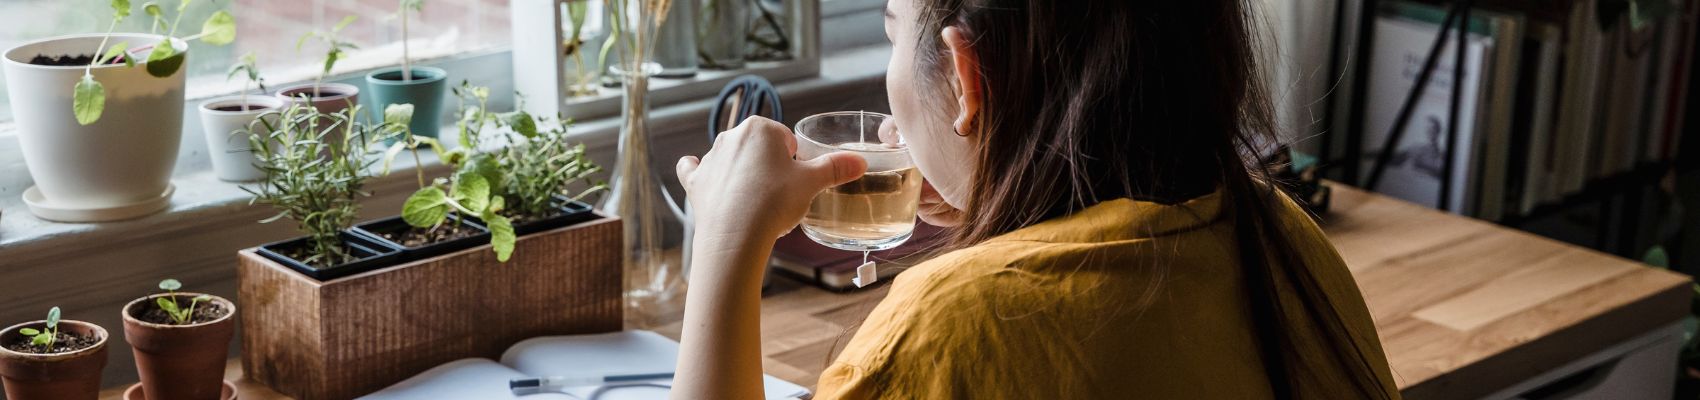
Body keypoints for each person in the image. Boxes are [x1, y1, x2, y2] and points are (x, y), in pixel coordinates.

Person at [670, 0, 1402, 398]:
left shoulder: (950, 327)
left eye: (893, 30)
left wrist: (725, 246)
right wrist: (1002, 218)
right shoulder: (1283, 235)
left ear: (965, 75)